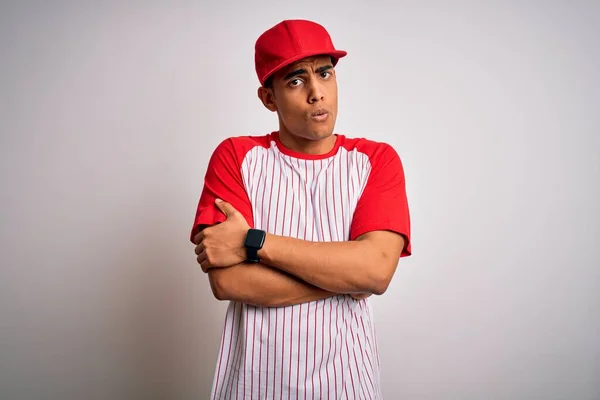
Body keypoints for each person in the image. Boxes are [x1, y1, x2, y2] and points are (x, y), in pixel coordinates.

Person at [190, 19, 411, 399]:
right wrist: (346, 277)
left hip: (347, 383)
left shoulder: (376, 160)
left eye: (324, 73)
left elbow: (375, 272)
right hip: (252, 384)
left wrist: (251, 242)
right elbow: (228, 282)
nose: (316, 93)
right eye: (295, 80)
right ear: (269, 98)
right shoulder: (236, 157)